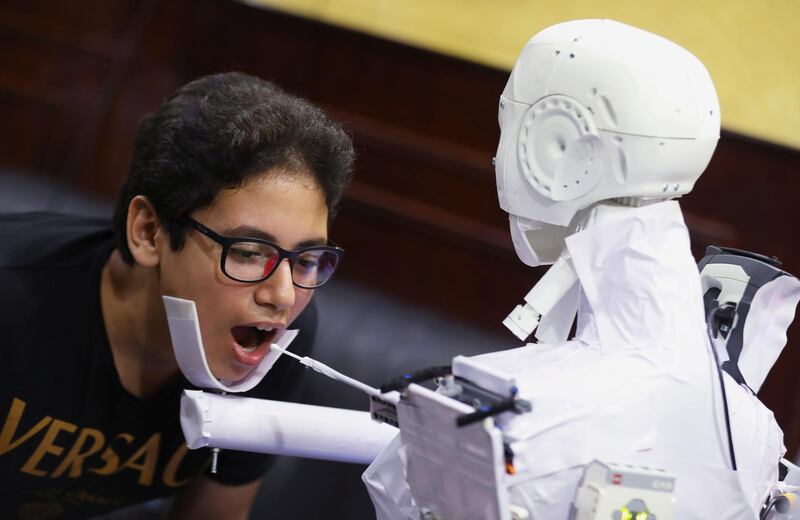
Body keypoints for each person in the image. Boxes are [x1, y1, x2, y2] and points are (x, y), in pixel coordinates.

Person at [363, 20, 795, 519]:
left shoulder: (508, 417)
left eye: (507, 127)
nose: (495, 157)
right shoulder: (756, 429)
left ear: (556, 148)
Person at [0, 71, 354, 519]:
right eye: (247, 252)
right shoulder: (14, 298)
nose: (283, 296)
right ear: (149, 233)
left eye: (305, 260)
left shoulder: (284, 338)